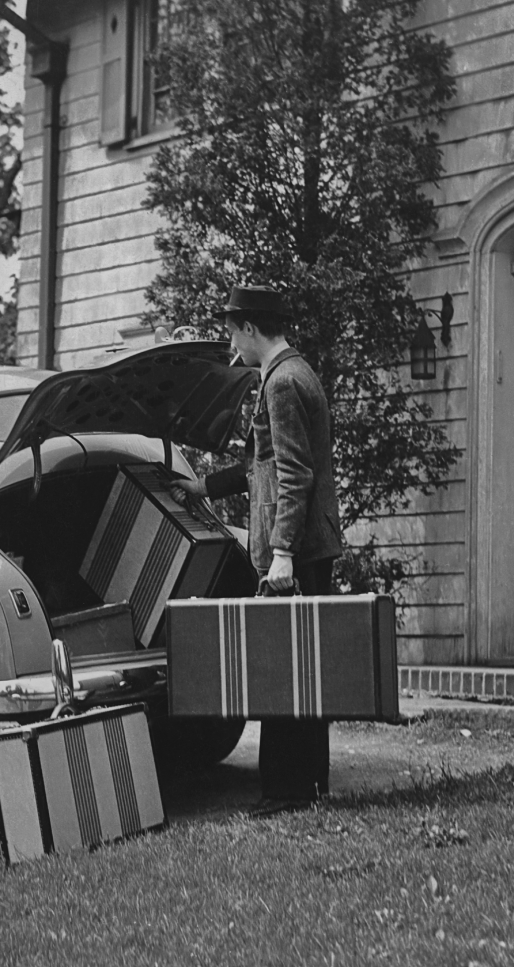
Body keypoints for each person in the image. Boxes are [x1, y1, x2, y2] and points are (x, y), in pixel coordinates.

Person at [175, 285, 343, 817]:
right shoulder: (295, 372)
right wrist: (205, 489)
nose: (231, 342)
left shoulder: (282, 384)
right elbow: (262, 468)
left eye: (232, 330)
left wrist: (282, 553)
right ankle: (306, 786)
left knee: (280, 671)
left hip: (293, 552)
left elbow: (295, 473)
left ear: (250, 328)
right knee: (302, 671)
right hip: (304, 548)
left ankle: (287, 792)